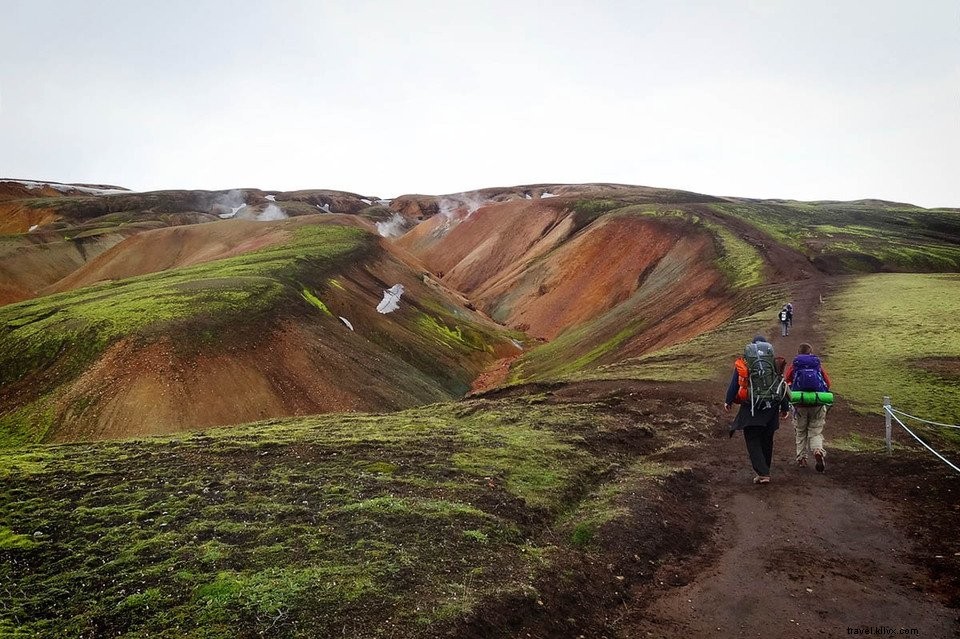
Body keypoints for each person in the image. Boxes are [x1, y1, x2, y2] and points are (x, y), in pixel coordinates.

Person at [724, 335, 791, 484]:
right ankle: (765, 470)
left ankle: (762, 473)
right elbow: (781, 384)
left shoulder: (746, 362)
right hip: (771, 408)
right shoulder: (773, 363)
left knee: (753, 439)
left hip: (751, 407)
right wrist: (785, 407)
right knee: (767, 440)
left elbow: (735, 383)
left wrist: (728, 401)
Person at [785, 343, 831, 472]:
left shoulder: (795, 365)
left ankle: (802, 458)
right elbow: (828, 383)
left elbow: (787, 381)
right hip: (817, 403)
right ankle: (817, 450)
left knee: (800, 431)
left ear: (798, 353)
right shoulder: (817, 365)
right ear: (811, 353)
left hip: (799, 404)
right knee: (815, 431)